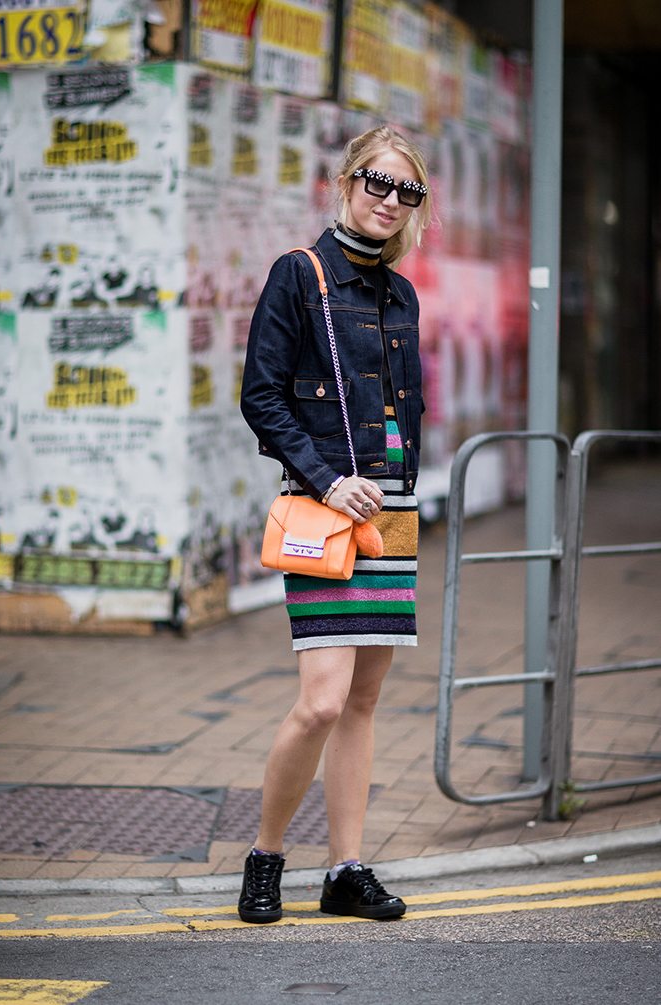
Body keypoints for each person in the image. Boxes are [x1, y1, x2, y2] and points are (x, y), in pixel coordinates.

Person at [239, 125, 432, 925]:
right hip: (326, 507)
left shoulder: (402, 292)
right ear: (347, 181)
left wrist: (401, 490)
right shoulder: (301, 273)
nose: (390, 200)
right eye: (377, 182)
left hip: (393, 512)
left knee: (362, 701)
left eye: (407, 190)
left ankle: (345, 869)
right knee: (321, 700)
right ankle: (265, 855)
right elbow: (261, 396)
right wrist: (327, 478)